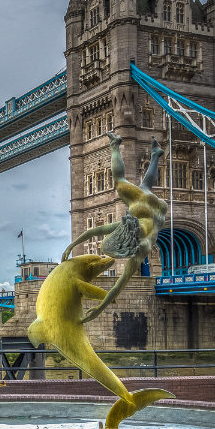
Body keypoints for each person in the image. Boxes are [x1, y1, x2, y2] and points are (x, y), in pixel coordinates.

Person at [62, 131, 167, 323]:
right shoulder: (131, 230)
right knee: (124, 182)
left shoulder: (142, 245)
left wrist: (100, 308)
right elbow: (95, 231)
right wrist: (71, 246)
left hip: (156, 209)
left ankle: (152, 154)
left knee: (140, 184)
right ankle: (117, 146)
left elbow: (119, 284)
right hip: (144, 205)